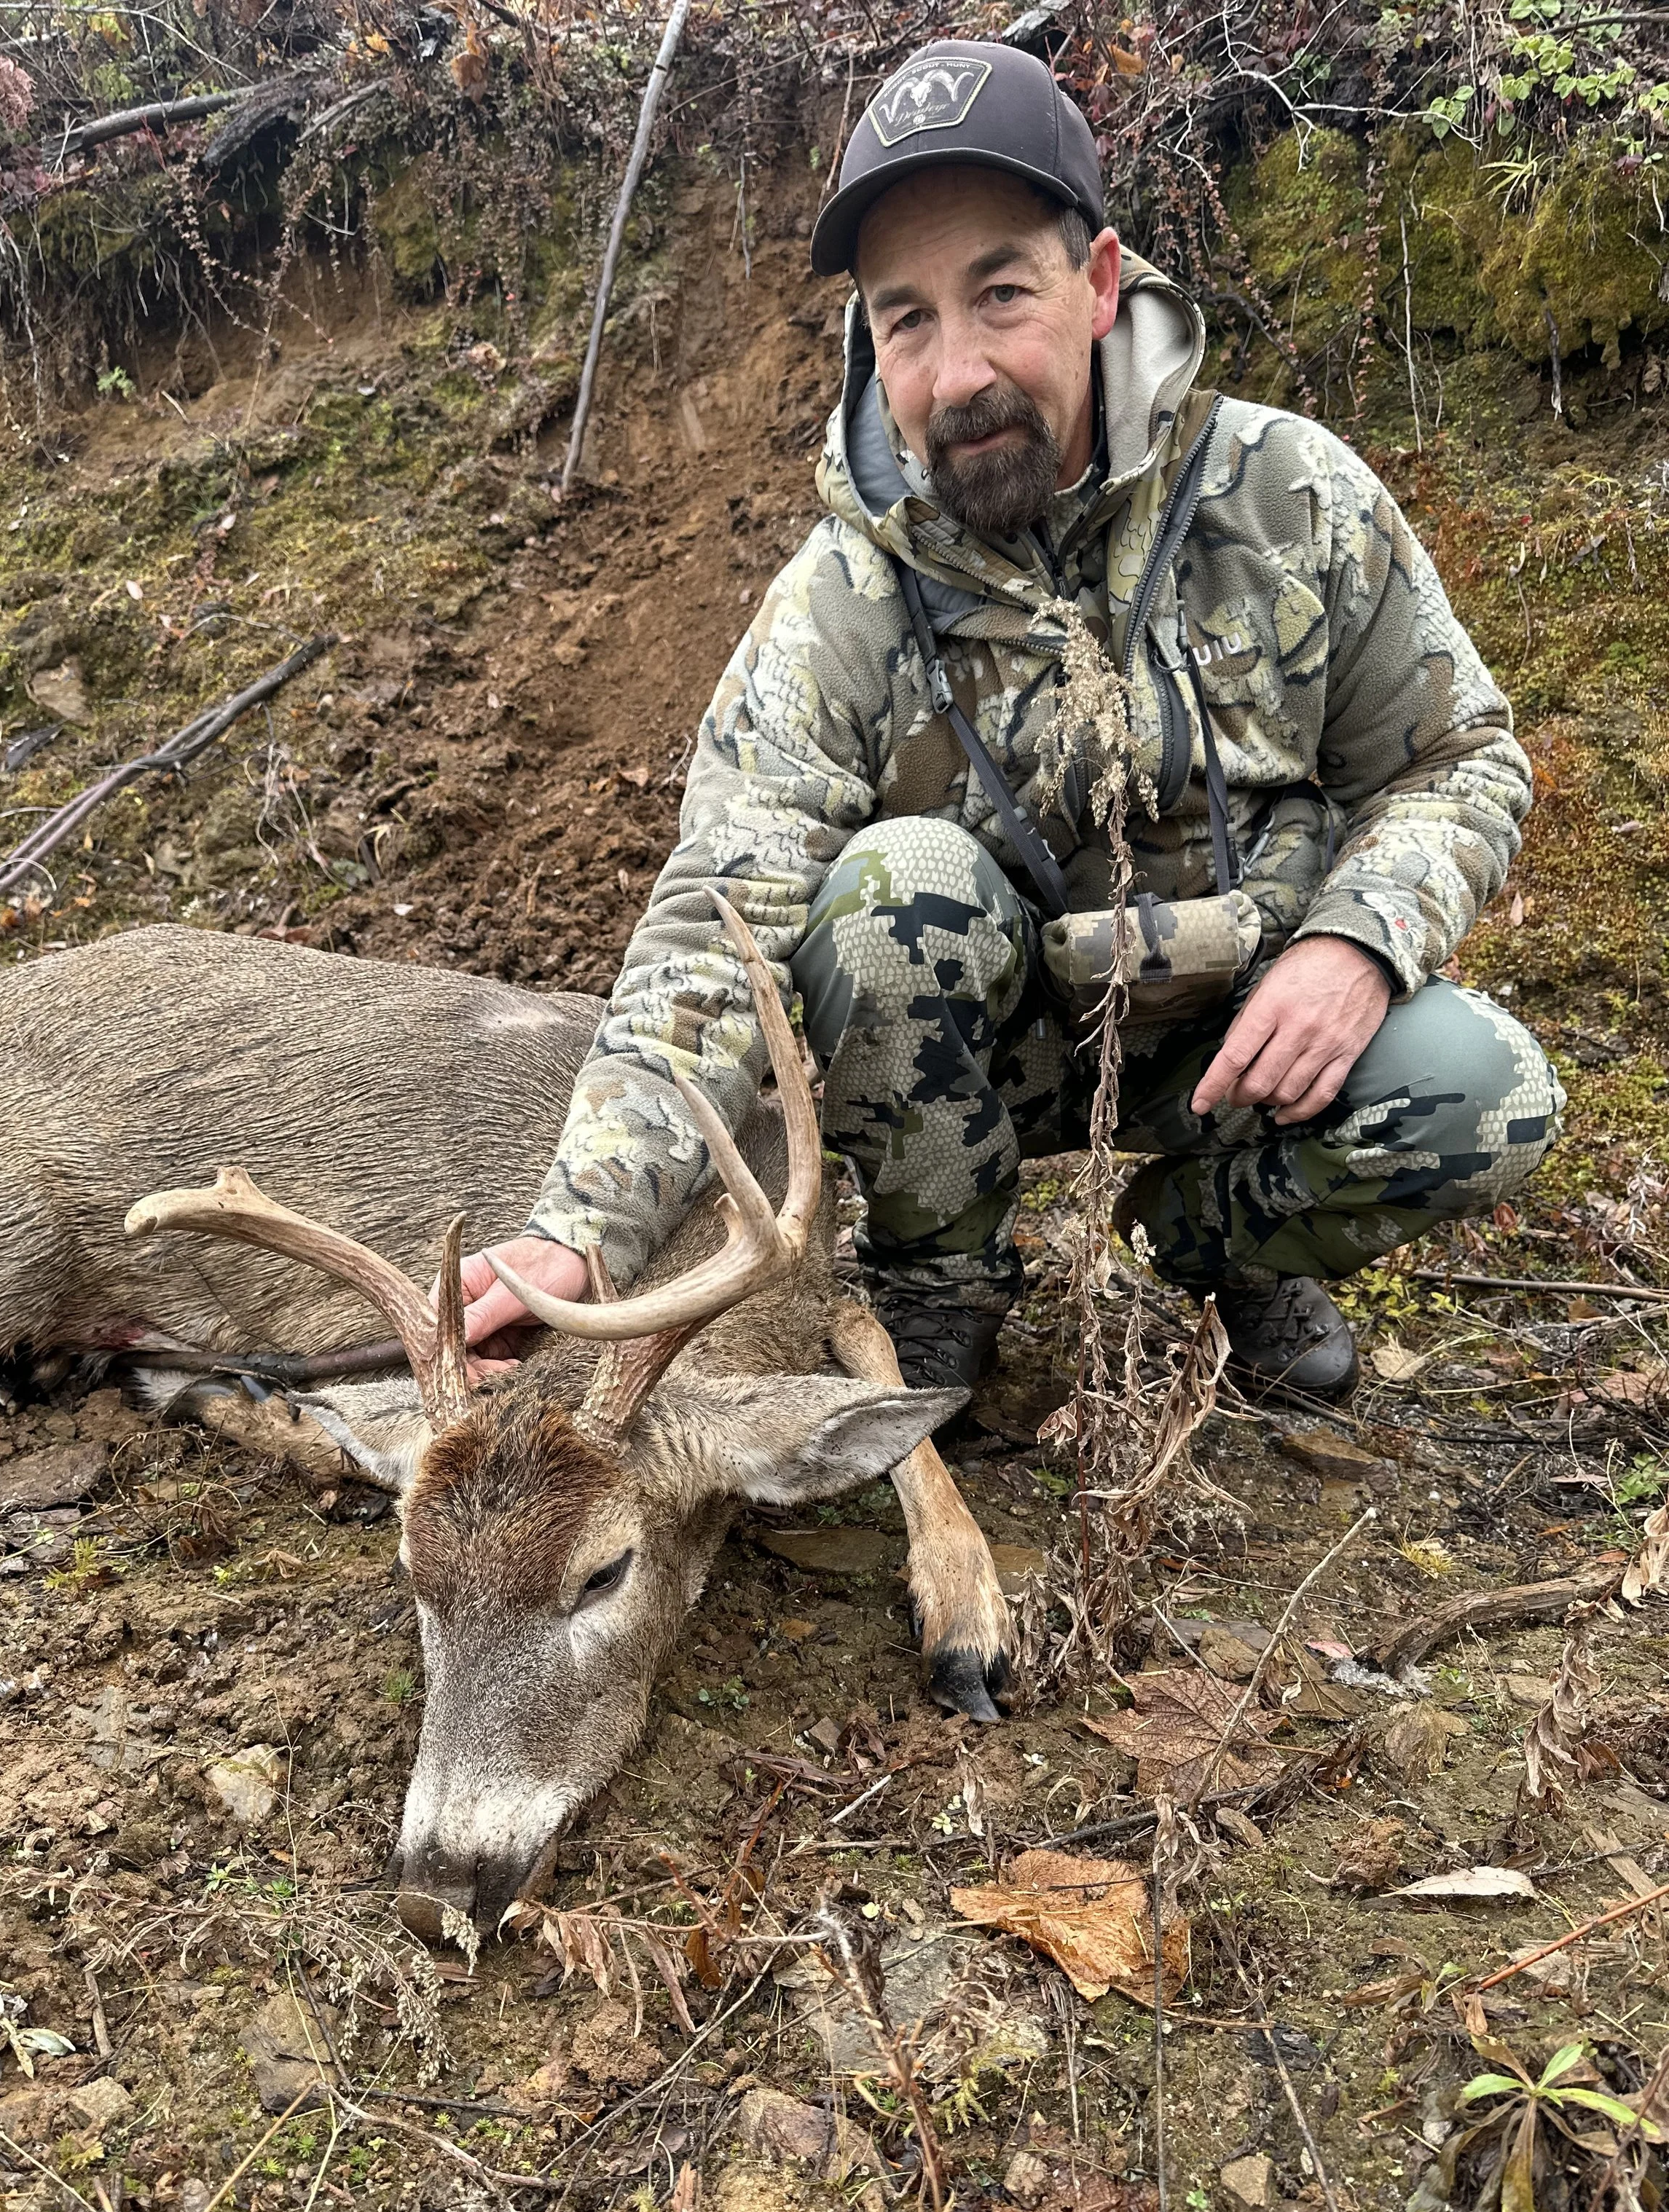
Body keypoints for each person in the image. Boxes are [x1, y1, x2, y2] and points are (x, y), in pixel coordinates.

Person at [457, 36, 1563, 1405]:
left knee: (1488, 1089)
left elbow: (1464, 760)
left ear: (1098, 284)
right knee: (883, 892)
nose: (959, 370)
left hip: (1246, 1029)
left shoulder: (1294, 501)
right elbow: (712, 928)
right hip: (985, 1059)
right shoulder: (840, 604)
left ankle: (1220, 1238)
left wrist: (1357, 941)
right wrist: (580, 1231)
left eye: (1000, 294)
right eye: (907, 320)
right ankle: (943, 1278)